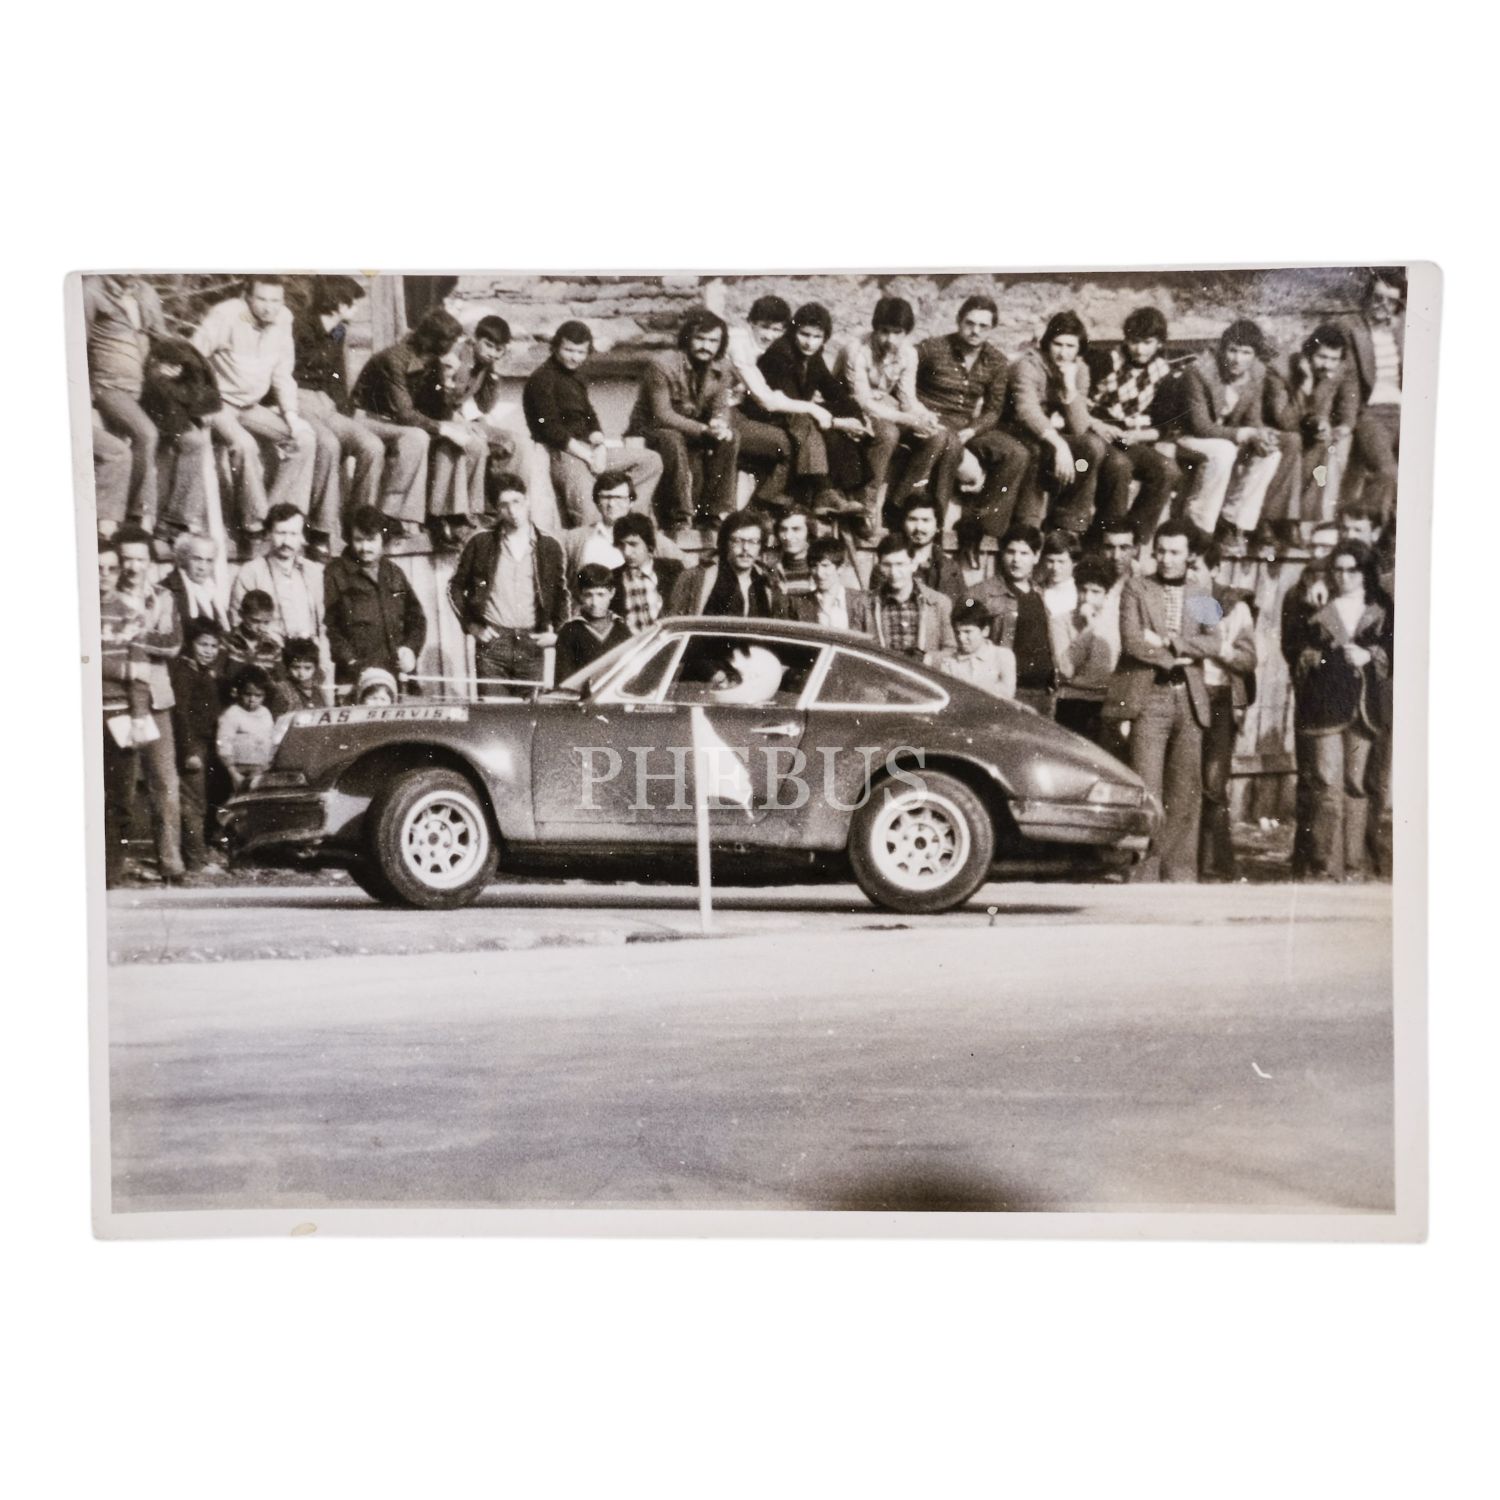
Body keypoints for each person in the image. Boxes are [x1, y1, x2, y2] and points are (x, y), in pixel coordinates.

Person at [1106, 522, 1224, 882]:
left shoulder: (1201, 593)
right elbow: (1132, 641)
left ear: (1190, 555)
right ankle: (1143, 874)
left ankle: (1179, 876)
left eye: (1175, 552)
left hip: (1189, 699)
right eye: (1161, 551)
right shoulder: (1137, 588)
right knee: (1148, 787)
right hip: (1149, 697)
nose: (1167, 559)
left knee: (1186, 791)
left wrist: (1171, 643)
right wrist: (1178, 656)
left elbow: (1214, 642)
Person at [1289, 540, 1392, 881]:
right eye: (1338, 569)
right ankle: (1324, 867)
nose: (1344, 577)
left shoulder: (1381, 607)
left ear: (1365, 573)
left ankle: (1353, 868)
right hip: (1324, 708)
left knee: (1355, 786)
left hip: (1363, 709)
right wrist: (1317, 656)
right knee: (1327, 785)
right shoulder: (1314, 602)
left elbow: (1397, 648)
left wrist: (1370, 655)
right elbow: (1295, 647)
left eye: (1352, 570)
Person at [192, 276, 317, 540]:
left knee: (304, 440)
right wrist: (198, 401)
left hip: (250, 406)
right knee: (244, 445)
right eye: (261, 299)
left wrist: (292, 418)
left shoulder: (283, 319)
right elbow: (192, 356)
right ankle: (255, 523)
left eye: (275, 300)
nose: (269, 307)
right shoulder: (225, 315)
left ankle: (279, 515)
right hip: (218, 403)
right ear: (247, 297)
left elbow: (283, 374)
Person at [523, 320, 664, 527]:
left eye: (581, 352)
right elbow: (550, 429)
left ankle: (628, 523)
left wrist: (599, 445)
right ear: (555, 347)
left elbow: (589, 415)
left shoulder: (577, 376)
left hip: (589, 450)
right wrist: (588, 457)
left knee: (650, 461)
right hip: (563, 453)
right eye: (568, 350)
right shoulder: (542, 378)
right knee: (588, 509)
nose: (575, 357)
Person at [913, 296, 1030, 533]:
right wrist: (919, 414)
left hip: (966, 425)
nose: (975, 331)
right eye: (970, 323)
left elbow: (993, 410)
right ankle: (937, 526)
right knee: (951, 446)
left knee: (1017, 453)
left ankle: (981, 528)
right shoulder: (932, 348)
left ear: (992, 328)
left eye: (983, 326)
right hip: (932, 419)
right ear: (959, 321)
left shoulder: (996, 360)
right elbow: (903, 379)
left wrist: (973, 430)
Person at [448, 472, 568, 694]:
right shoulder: (481, 542)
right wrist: (471, 625)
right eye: (504, 505)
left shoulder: (549, 546)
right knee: (494, 713)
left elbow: (562, 594)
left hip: (533, 642)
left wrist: (558, 635)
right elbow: (453, 587)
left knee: (532, 712)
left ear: (527, 500)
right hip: (493, 642)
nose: (512, 511)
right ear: (497, 509)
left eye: (517, 502)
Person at [1168, 319, 1286, 544]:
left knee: (1270, 454)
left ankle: (1232, 521)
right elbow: (1200, 425)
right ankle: (1200, 526)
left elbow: (1252, 418)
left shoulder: (1256, 373)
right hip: (1186, 437)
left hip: (1225, 437)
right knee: (1224, 451)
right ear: (1222, 349)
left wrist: (1261, 435)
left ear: (1254, 355)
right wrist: (1245, 434)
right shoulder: (1199, 371)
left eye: (1245, 352)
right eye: (1232, 350)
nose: (1237, 359)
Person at [290, 275, 385, 553]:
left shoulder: (338, 331)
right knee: (328, 444)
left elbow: (337, 377)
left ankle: (359, 524)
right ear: (339, 304)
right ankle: (320, 530)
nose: (356, 309)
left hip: (325, 403)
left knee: (372, 445)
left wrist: (346, 413)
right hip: (298, 397)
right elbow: (281, 368)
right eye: (353, 303)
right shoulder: (299, 327)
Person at [834, 296, 941, 537]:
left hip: (884, 406)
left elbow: (907, 398)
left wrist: (925, 416)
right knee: (888, 434)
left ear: (906, 333)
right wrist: (909, 419)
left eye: (897, 332)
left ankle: (901, 506)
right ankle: (865, 507)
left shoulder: (908, 354)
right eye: (884, 331)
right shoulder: (856, 350)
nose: (890, 339)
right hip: (849, 405)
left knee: (935, 437)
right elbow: (864, 402)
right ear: (875, 328)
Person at [349, 309, 463, 533]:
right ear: (437, 340)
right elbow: (404, 414)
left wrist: (452, 397)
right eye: (452, 341)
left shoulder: (432, 362)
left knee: (455, 439)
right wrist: (443, 428)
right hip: (367, 419)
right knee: (417, 436)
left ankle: (441, 516)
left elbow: (438, 410)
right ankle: (392, 514)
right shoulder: (393, 359)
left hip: (395, 423)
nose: (454, 347)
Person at [115, 525, 185, 882]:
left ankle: (171, 864)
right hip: (116, 699)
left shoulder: (163, 597)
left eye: (140, 559)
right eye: (126, 559)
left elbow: (173, 644)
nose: (133, 567)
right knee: (121, 786)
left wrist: (132, 637)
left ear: (150, 562)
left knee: (165, 783)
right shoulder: (105, 596)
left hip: (156, 699)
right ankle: (114, 864)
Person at [627, 308, 739, 532]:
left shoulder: (723, 367)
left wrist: (719, 424)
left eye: (713, 341)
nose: (706, 346)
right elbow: (662, 415)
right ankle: (679, 516)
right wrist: (703, 429)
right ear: (688, 338)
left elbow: (721, 406)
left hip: (692, 430)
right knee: (671, 438)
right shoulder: (662, 365)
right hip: (651, 430)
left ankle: (713, 514)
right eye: (700, 339)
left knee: (731, 437)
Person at [1003, 311, 1114, 535]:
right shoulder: (1028, 365)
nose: (1063, 353)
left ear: (1079, 348)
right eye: (1058, 344)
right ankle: (1027, 527)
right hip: (1020, 431)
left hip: (1054, 437)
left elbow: (1079, 427)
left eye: (1070, 346)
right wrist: (1059, 444)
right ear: (1047, 343)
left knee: (1091, 448)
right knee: (1035, 451)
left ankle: (1067, 525)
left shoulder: (1079, 369)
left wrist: (1069, 388)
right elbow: (1027, 411)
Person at [753, 303, 870, 512]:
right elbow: (790, 404)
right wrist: (838, 422)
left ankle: (849, 495)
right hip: (771, 416)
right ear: (793, 331)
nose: (809, 342)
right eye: (804, 334)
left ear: (824, 338)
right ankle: (825, 492)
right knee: (814, 424)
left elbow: (833, 389)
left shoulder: (813, 356)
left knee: (847, 415)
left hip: (799, 414)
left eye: (817, 337)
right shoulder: (780, 354)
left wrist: (858, 417)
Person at [411, 314, 514, 542]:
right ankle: (454, 514)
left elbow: (485, 405)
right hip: (432, 417)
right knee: (475, 444)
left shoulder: (484, 365)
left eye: (499, 349)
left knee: (508, 441)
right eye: (488, 345)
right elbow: (435, 399)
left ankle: (488, 507)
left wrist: (494, 372)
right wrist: (461, 423)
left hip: (456, 418)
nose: (492, 352)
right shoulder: (454, 356)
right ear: (474, 339)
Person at [1190, 541, 1259, 880]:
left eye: (1196, 567)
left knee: (1214, 784)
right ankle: (1190, 864)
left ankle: (1218, 865)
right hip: (1185, 694)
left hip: (1219, 697)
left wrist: (1219, 648)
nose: (1189, 573)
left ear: (1215, 569)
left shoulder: (1233, 606)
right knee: (1186, 781)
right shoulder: (1176, 598)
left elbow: (1248, 658)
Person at [1089, 307, 1183, 543]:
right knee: (1119, 466)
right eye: (1134, 341)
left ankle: (1136, 538)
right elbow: (1083, 403)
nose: (1140, 349)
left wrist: (1136, 437)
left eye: (1147, 343)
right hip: (1099, 434)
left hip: (1131, 440)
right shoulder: (1106, 361)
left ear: (1159, 343)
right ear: (1126, 339)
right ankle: (1108, 538)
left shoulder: (1163, 373)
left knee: (1167, 470)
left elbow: (1164, 426)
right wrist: (1099, 425)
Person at [84, 275, 170, 528]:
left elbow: (160, 337)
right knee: (147, 434)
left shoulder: (145, 291)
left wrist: (171, 364)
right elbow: (76, 343)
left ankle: (170, 522)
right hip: (110, 385)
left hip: (143, 385)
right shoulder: (92, 290)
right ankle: (138, 514)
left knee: (186, 435)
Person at [323, 506, 428, 693]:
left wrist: (411, 649)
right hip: (357, 676)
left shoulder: (394, 573)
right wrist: (351, 661)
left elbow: (417, 619)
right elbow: (328, 627)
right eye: (358, 540)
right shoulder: (335, 573)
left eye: (371, 540)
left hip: (397, 675)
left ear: (382, 539)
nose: (365, 548)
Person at [1277, 324, 1360, 538]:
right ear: (1308, 354)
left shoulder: (1340, 368)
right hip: (1286, 431)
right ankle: (1293, 521)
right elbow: (1285, 420)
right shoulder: (1286, 369)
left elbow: (1349, 402)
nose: (1327, 365)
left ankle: (1312, 522)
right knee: (1310, 445)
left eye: (1333, 359)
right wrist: (1306, 384)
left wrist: (1343, 426)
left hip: (1314, 428)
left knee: (1331, 445)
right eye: (1322, 357)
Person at [139, 337, 222, 537]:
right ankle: (170, 518)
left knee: (194, 442)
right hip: (144, 393)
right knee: (188, 443)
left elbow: (199, 378)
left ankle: (178, 519)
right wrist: (156, 370)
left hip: (169, 401)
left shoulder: (180, 348)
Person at [1341, 268, 1406, 522]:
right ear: (1367, 297)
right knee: (1387, 472)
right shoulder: (1353, 330)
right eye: (1378, 298)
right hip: (1372, 412)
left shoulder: (1402, 332)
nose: (1383, 306)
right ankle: (1363, 525)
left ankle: (1392, 532)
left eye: (1391, 301)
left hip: (1404, 411)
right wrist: (1347, 422)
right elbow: (1348, 381)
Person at [229, 504, 327, 669]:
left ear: (301, 537)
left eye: (293, 534)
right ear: (268, 534)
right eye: (281, 533)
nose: (287, 541)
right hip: (268, 661)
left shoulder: (312, 571)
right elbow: (238, 622)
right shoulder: (251, 572)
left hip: (306, 663)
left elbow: (321, 624)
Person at [168, 617, 228, 876]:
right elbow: (180, 714)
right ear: (190, 644)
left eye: (214, 646)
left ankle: (200, 854)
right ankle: (194, 862)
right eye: (203, 644)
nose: (209, 651)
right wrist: (188, 751)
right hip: (193, 745)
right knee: (193, 803)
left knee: (203, 801)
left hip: (206, 743)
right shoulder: (184, 672)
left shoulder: (203, 672)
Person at [98, 539, 141, 886]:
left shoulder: (130, 612)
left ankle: (110, 874)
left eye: (112, 569)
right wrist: (120, 669)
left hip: (120, 715)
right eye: (98, 568)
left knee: (121, 799)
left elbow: (140, 673)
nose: (105, 575)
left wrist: (139, 716)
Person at [987, 525, 1057, 712]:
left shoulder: (1040, 593)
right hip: (1008, 692)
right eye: (1011, 552)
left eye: (1024, 553)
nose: (1016, 560)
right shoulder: (983, 594)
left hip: (1044, 693)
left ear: (1036, 557)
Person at [1051, 556, 1116, 742]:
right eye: (1083, 590)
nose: (1087, 598)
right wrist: (1089, 629)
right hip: (1072, 701)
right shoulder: (1060, 621)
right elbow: (1065, 670)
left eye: (1095, 592)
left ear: (1106, 595)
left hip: (1107, 703)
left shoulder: (1116, 624)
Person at [670, 511, 779, 618]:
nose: (745, 548)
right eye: (737, 541)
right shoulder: (695, 578)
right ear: (725, 542)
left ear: (761, 545)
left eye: (753, 542)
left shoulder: (768, 582)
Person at [868, 535, 956, 666]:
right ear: (879, 566)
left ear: (914, 564)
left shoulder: (939, 603)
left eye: (900, 564)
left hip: (922, 676)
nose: (894, 572)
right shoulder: (865, 604)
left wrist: (927, 659)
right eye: (887, 565)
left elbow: (952, 650)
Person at [778, 535, 873, 634]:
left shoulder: (860, 601)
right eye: (814, 566)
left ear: (840, 568)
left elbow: (871, 638)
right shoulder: (797, 603)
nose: (819, 573)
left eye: (825, 566)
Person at [556, 563, 634, 680]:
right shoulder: (570, 631)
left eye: (600, 595)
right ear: (580, 595)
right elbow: (565, 679)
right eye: (588, 595)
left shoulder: (622, 629)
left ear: (612, 593)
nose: (594, 603)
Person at [612, 513, 684, 633]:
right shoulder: (614, 578)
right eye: (621, 545)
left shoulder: (672, 570)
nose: (627, 552)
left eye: (633, 544)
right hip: (635, 643)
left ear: (648, 543)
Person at [562, 471, 637, 581]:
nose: (611, 504)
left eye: (618, 498)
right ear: (597, 502)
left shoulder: (645, 538)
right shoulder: (574, 538)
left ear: (631, 502)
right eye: (605, 497)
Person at [939, 596, 1016, 699]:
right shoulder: (949, 662)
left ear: (985, 631)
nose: (961, 638)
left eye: (967, 632)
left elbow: (1007, 693)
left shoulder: (1003, 656)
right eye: (957, 632)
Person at [217, 667, 277, 790]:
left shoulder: (265, 713)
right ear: (239, 692)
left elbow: (271, 737)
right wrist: (233, 772)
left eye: (258, 695)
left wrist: (269, 762)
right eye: (247, 694)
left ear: (264, 695)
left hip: (262, 767)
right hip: (239, 768)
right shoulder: (233, 713)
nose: (252, 699)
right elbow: (224, 742)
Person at [162, 531, 231, 633]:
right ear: (183, 558)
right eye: (197, 559)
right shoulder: (167, 589)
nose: (202, 567)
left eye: (209, 561)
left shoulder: (212, 590)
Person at [900, 495, 964, 602]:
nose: (918, 527)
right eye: (912, 519)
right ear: (903, 524)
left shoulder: (951, 568)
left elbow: (964, 607)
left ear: (938, 527)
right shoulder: (888, 566)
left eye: (926, 520)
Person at [222, 588, 286, 677]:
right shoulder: (226, 641)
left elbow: (280, 680)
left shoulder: (273, 648)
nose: (261, 628)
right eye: (255, 621)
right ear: (241, 614)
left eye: (266, 622)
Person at [269, 637, 330, 717]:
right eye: (296, 667)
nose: (301, 673)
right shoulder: (282, 689)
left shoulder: (318, 690)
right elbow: (278, 719)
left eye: (307, 668)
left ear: (315, 668)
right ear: (287, 667)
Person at [1038, 528, 1081, 619]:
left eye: (1061, 562)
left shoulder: (1080, 593)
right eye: (1050, 561)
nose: (1055, 568)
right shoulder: (1036, 591)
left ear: (1074, 563)